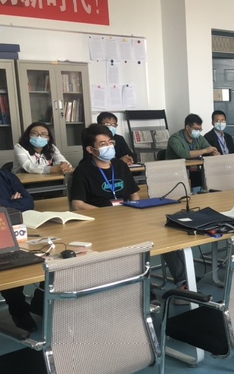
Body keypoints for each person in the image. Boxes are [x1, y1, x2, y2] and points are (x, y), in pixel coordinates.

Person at [70, 124, 188, 289]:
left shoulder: (120, 166)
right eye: (103, 144)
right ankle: (144, 291)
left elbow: (134, 194)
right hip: (100, 225)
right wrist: (108, 213)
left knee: (166, 233)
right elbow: (77, 205)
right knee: (130, 249)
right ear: (91, 149)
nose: (109, 147)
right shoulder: (83, 171)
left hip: (127, 218)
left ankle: (183, 282)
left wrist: (135, 212)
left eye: (110, 142)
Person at [0, 125, 37, 331]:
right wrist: (9, 203)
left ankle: (38, 302)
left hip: (15, 232)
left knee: (45, 256)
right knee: (4, 261)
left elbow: (28, 202)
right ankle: (18, 308)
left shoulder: (5, 176)